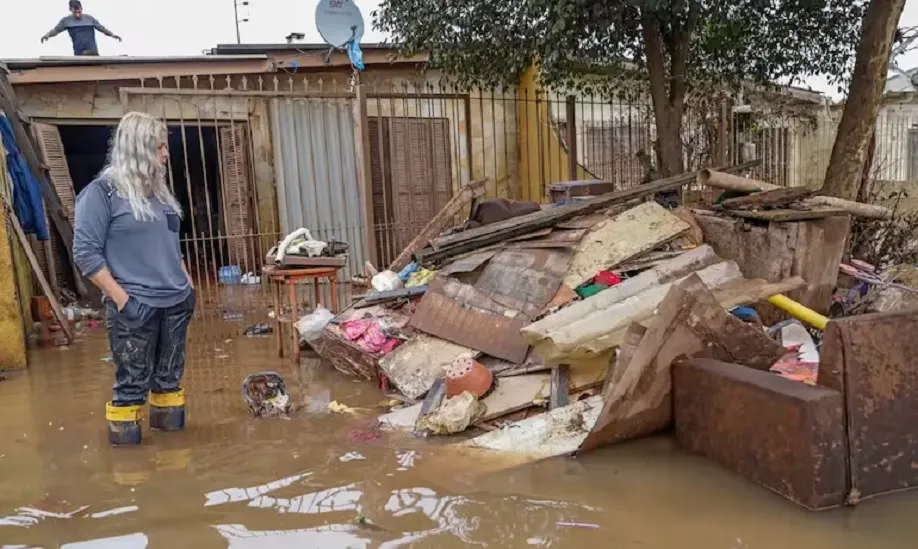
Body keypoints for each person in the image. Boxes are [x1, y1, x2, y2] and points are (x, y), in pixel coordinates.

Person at [73, 112, 195, 446]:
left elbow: (171, 246)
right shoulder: (102, 194)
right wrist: (122, 300)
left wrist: (187, 286)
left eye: (164, 147)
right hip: (135, 306)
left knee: (169, 382)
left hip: (176, 303)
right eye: (159, 147)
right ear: (137, 148)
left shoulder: (160, 195)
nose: (165, 154)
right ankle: (130, 470)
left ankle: (174, 462)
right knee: (130, 388)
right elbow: (85, 254)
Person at [41, 1, 121, 56]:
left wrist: (112, 35)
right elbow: (55, 30)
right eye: (75, 12)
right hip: (79, 51)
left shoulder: (89, 19)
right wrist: (47, 35)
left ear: (81, 9)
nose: (77, 15)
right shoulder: (66, 21)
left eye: (79, 12)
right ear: (70, 9)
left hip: (92, 50)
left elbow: (102, 29)